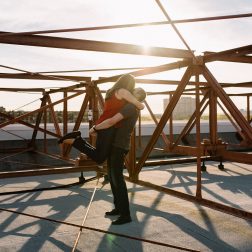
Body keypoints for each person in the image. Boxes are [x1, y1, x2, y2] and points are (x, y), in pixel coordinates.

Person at [90, 87, 147, 225]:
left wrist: (95, 128)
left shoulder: (130, 108)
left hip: (119, 146)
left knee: (118, 180)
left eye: (134, 91)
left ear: (137, 96)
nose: (131, 92)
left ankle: (125, 215)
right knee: (113, 178)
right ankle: (118, 208)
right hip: (116, 145)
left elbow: (112, 121)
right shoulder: (131, 106)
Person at [58, 74, 144, 164]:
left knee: (99, 153)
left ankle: (78, 139)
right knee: (100, 158)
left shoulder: (110, 91)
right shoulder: (123, 91)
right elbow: (140, 106)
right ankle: (75, 141)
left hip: (103, 122)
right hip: (108, 126)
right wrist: (141, 102)